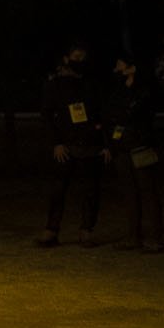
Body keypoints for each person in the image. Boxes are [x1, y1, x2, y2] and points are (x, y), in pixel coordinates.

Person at [36, 40, 104, 247]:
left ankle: (86, 230)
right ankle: (51, 229)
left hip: (89, 144)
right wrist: (56, 142)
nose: (80, 61)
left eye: (83, 58)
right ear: (66, 59)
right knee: (58, 189)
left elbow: (99, 111)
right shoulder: (54, 85)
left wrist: (102, 139)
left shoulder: (90, 83)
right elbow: (47, 116)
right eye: (76, 58)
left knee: (91, 190)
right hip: (65, 145)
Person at [107, 51, 164, 252]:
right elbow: (112, 114)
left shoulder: (145, 91)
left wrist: (121, 116)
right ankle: (133, 236)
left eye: (120, 65)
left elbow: (129, 114)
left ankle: (155, 238)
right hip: (122, 147)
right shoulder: (119, 90)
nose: (116, 69)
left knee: (147, 191)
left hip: (140, 146)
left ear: (132, 68)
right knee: (129, 192)